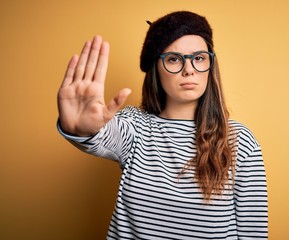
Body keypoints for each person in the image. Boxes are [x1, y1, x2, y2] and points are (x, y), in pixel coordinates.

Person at [57, 11, 268, 240]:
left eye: (198, 58)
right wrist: (80, 128)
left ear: (210, 64)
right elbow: (99, 137)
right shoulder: (135, 126)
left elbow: (253, 232)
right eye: (174, 59)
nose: (189, 69)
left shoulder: (240, 140)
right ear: (156, 68)